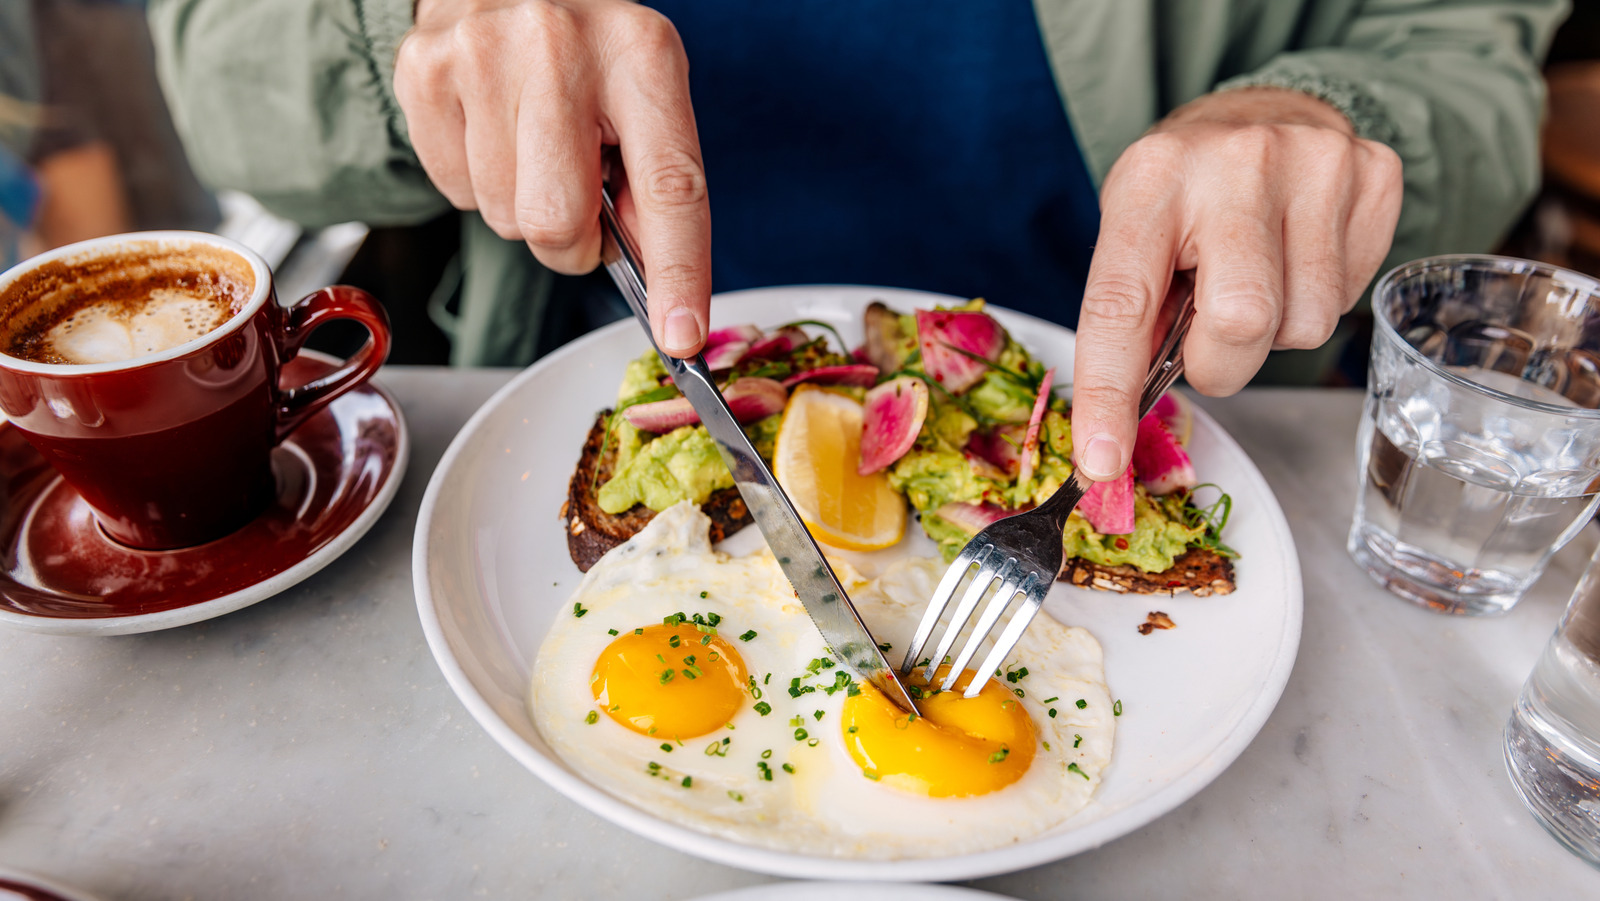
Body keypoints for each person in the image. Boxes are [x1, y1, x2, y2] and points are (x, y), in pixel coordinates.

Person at [146, 0, 1566, 485]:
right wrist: (403, 29)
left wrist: (1321, 117)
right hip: (578, 384)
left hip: (1195, 417)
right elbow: (218, 65)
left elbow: (1471, 53)